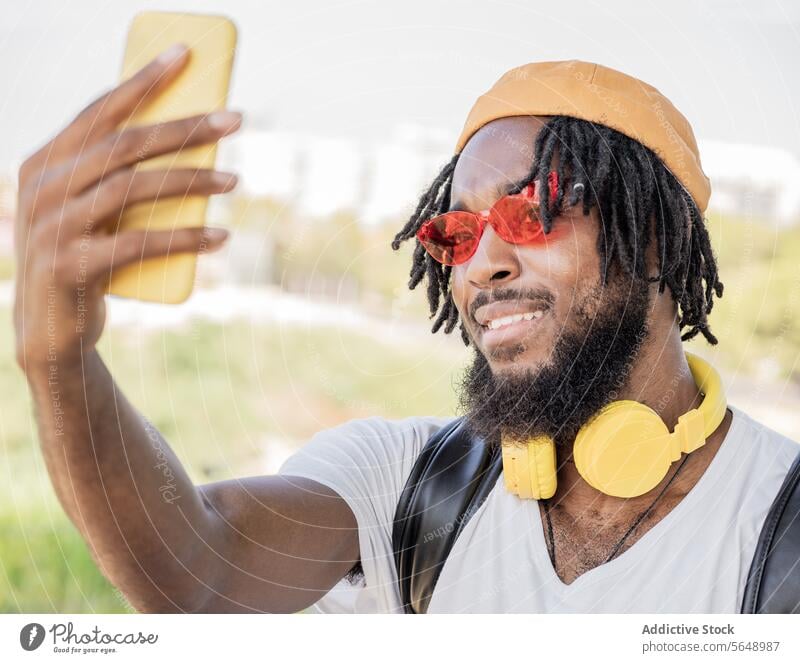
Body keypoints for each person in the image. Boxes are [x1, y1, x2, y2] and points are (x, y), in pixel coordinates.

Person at [14, 49, 798, 614]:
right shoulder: (409, 487)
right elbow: (197, 565)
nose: (481, 264)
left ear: (654, 233)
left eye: (532, 211)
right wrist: (59, 359)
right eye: (454, 233)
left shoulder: (779, 526)